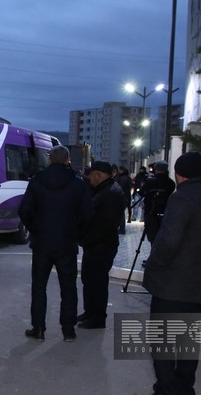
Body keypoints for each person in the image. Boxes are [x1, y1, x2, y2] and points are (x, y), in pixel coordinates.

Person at [133, 152, 201, 395]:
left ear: (179, 174)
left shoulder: (181, 197)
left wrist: (154, 264)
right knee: (187, 341)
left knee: (162, 340)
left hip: (173, 282)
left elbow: (168, 241)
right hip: (200, 281)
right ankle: (185, 392)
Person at [18, 145, 92, 343]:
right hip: (67, 243)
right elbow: (88, 215)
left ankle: (38, 328)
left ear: (49, 160)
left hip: (42, 242)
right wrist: (77, 234)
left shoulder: (36, 182)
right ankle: (68, 330)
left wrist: (35, 229)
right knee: (68, 287)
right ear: (68, 160)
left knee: (39, 287)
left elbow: (24, 211)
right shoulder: (79, 184)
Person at [77, 161, 124, 329]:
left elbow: (105, 225)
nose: (89, 178)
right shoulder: (106, 189)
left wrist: (86, 238)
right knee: (89, 279)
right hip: (97, 244)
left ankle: (97, 317)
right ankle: (90, 312)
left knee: (97, 282)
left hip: (101, 245)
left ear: (98, 175)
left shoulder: (110, 194)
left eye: (91, 175)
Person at [138, 160, 175, 243]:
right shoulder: (171, 183)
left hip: (151, 212)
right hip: (165, 213)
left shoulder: (150, 181)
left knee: (153, 238)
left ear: (156, 169)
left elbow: (141, 193)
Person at [117, 167, 132, 232]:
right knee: (122, 212)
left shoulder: (122, 179)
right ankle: (122, 228)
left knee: (120, 213)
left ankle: (122, 228)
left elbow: (120, 188)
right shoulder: (128, 178)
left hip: (122, 198)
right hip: (127, 197)